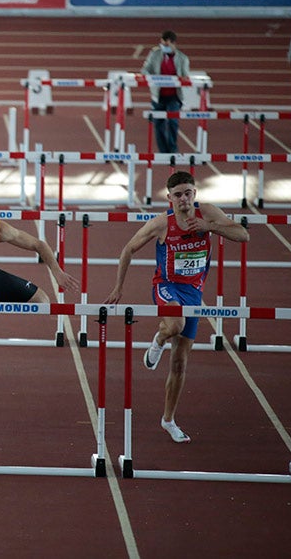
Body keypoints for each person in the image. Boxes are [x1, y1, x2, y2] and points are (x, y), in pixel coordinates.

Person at [103, 171, 249, 444]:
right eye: (178, 195)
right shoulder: (161, 224)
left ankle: (168, 419)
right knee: (175, 324)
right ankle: (159, 338)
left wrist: (210, 228)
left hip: (193, 293)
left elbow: (243, 235)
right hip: (166, 286)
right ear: (169, 198)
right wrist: (118, 288)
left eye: (188, 193)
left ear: (195, 194)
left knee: (180, 363)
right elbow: (128, 249)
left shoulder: (208, 213)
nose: (184, 199)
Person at [141, 30, 191, 154]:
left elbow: (186, 76)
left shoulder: (183, 58)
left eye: (167, 45)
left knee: (173, 122)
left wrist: (183, 78)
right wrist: (150, 77)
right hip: (158, 96)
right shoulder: (155, 54)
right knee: (158, 124)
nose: (164, 47)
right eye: (162, 44)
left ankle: (173, 149)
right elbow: (145, 69)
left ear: (174, 44)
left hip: (174, 96)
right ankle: (163, 151)